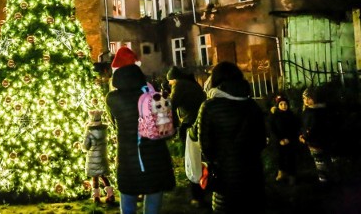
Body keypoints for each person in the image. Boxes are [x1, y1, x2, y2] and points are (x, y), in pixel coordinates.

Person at [190, 61, 267, 214]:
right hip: (253, 173)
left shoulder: (209, 106)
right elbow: (261, 140)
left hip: (225, 174)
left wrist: (217, 160)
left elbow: (205, 146)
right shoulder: (252, 105)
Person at [106, 46, 175, 214]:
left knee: (128, 196)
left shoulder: (113, 98)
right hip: (155, 154)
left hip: (129, 156)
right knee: (154, 193)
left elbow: (114, 123)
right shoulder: (152, 93)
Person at [167, 66, 207, 207]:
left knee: (192, 159)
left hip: (191, 125)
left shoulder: (179, 85)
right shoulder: (191, 84)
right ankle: (207, 187)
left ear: (173, 79)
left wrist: (171, 126)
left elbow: (171, 105)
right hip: (202, 123)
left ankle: (197, 196)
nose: (170, 84)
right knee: (204, 158)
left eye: (170, 81)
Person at [300, 86, 332, 183]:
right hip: (312, 140)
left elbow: (314, 127)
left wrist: (306, 136)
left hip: (317, 140)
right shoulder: (307, 110)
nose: (306, 100)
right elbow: (304, 124)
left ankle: (324, 179)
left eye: (309, 98)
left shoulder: (317, 111)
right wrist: (302, 134)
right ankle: (324, 177)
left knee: (321, 161)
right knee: (318, 160)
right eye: (304, 98)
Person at [82, 109, 114, 204]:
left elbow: (85, 146)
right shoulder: (104, 131)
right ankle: (110, 194)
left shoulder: (89, 132)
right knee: (104, 176)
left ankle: (96, 197)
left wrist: (83, 147)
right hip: (102, 156)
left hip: (93, 158)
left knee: (95, 177)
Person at [269, 95, 300, 185]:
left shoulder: (291, 115)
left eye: (285, 104)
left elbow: (295, 128)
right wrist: (279, 139)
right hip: (280, 142)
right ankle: (281, 172)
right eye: (281, 104)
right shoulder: (274, 116)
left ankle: (292, 175)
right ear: (278, 105)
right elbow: (272, 129)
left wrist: (289, 139)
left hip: (290, 141)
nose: (283, 106)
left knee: (291, 158)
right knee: (280, 157)